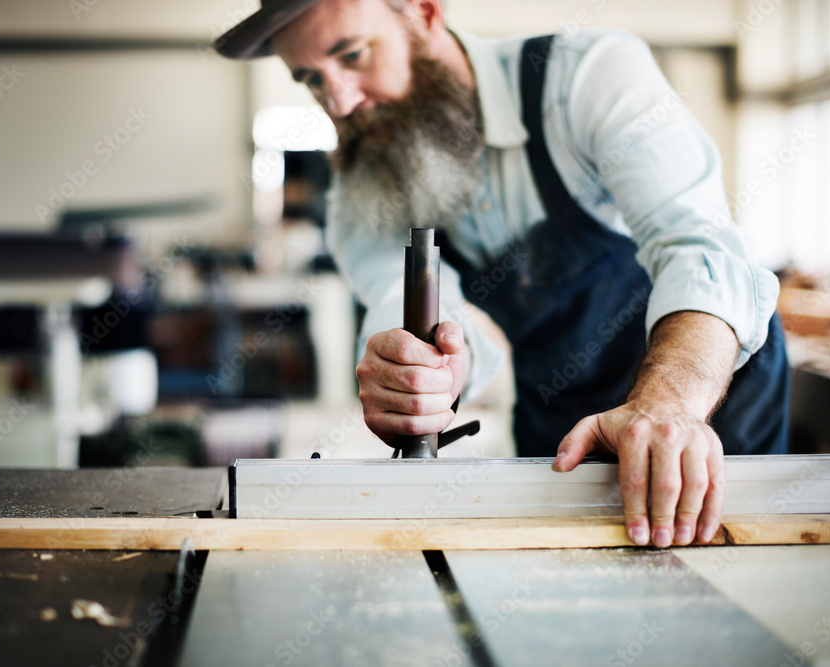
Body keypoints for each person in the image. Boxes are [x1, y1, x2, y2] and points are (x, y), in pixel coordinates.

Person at [214, 0, 791, 548]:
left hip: (705, 401)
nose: (337, 100)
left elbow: (700, 246)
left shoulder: (585, 78)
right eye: (311, 79)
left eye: (352, 55)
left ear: (424, 12)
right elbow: (405, 299)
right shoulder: (362, 192)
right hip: (563, 419)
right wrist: (421, 376)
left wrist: (667, 404)